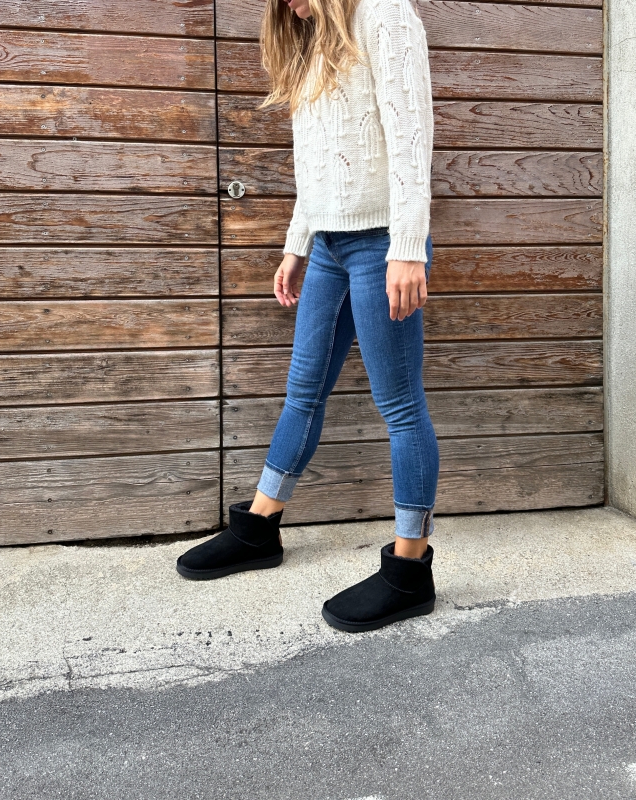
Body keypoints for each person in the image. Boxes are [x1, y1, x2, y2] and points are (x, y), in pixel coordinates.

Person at [176, 0, 439, 633]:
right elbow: (315, 161)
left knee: (400, 405)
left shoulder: (385, 14)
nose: (287, 4)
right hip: (328, 246)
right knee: (303, 391)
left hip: (382, 244)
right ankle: (260, 529)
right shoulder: (313, 38)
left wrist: (407, 247)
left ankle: (409, 571)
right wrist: (298, 244)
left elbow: (412, 137)